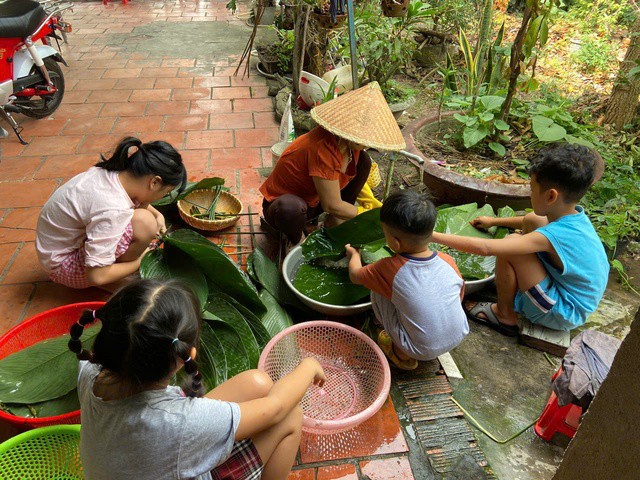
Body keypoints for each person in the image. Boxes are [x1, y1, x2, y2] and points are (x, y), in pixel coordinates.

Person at [68, 278, 326, 480]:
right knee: (291, 413)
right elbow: (276, 409)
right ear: (186, 355)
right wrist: (308, 366)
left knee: (257, 382)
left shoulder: (90, 371)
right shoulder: (177, 422)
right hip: (168, 442)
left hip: (140, 458)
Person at [432, 142, 609, 336]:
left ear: (551, 196)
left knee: (509, 247)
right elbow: (528, 220)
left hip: (563, 311)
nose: (530, 194)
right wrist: (493, 221)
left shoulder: (554, 235)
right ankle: (515, 291)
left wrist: (430, 235)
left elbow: (486, 248)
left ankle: (504, 314)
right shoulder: (572, 217)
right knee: (533, 220)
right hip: (572, 294)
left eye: (532, 189)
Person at [260, 82, 405, 245]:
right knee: (290, 209)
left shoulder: (350, 146)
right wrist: (369, 215)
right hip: (285, 209)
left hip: (315, 202)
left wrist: (371, 207)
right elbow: (331, 204)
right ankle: (296, 240)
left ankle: (337, 220)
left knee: (364, 161)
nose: (368, 144)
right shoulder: (322, 148)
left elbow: (344, 190)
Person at [36, 137, 187, 289]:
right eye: (166, 192)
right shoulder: (113, 210)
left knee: (146, 217)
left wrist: (158, 215)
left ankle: (114, 265)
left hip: (55, 251)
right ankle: (116, 272)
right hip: (63, 267)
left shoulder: (112, 174)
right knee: (145, 223)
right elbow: (96, 276)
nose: (163, 197)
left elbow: (134, 199)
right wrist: (142, 259)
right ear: (154, 182)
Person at [345, 190, 468, 370]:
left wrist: (354, 254)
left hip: (420, 349)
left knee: (377, 289)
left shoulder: (388, 268)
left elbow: (355, 276)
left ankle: (400, 352)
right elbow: (459, 293)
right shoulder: (447, 260)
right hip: (458, 335)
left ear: (395, 243)